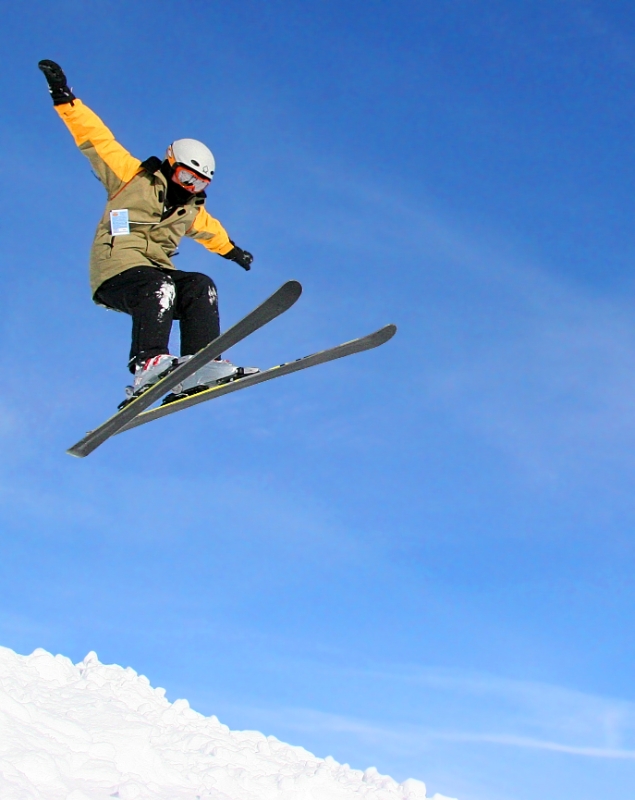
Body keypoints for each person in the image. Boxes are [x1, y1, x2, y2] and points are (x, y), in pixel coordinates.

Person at [38, 59, 258, 406]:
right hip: (117, 271)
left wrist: (232, 251)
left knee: (200, 285)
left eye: (200, 183)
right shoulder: (131, 177)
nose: (191, 187)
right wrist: (66, 100)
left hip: (157, 274)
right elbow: (97, 139)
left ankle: (199, 365)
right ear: (171, 165)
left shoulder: (190, 210)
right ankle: (149, 362)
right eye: (186, 177)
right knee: (160, 285)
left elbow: (209, 230)